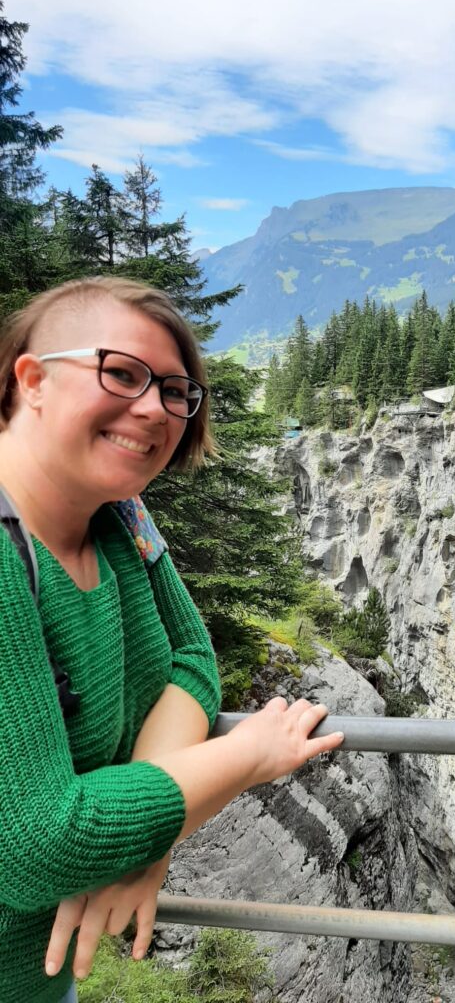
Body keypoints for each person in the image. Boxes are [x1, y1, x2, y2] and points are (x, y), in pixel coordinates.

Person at [0, 276, 344, 1003]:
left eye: (176, 391)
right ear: (32, 380)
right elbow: (35, 847)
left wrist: (141, 838)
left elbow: (192, 659)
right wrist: (248, 755)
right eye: (122, 373)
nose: (156, 408)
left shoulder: (122, 518)